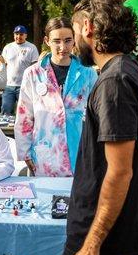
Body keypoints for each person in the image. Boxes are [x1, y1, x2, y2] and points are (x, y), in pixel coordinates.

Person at [62, 0, 138, 255]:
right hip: (107, 231)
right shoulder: (125, 70)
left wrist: (92, 243)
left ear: (88, 27)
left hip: (99, 236)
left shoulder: (116, 81)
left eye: (76, 29)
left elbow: (120, 171)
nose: (74, 41)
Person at [15, 17, 97, 177]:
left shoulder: (88, 74)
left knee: (78, 199)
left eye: (68, 41)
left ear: (74, 40)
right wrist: (25, 152)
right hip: (44, 155)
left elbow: (97, 117)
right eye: (56, 41)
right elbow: (25, 116)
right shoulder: (33, 73)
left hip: (80, 153)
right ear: (47, 41)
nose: (62, 47)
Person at [1, 25, 39, 115]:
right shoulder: (8, 47)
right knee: (5, 111)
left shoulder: (31, 48)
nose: (18, 36)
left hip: (24, 86)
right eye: (16, 34)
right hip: (8, 85)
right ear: (14, 35)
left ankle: (24, 129)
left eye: (21, 34)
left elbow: (35, 67)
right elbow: (3, 65)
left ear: (26, 35)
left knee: (26, 112)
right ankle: (5, 129)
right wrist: (1, 81)